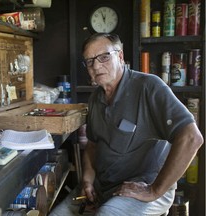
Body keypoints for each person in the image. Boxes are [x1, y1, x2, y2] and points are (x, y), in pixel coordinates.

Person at [49, 33, 204, 216]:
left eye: (104, 57)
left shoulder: (148, 86)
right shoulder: (95, 98)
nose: (96, 66)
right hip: (103, 184)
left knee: (106, 214)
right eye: (89, 61)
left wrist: (154, 190)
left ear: (120, 57)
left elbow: (191, 137)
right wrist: (88, 181)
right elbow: (92, 146)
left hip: (144, 185)